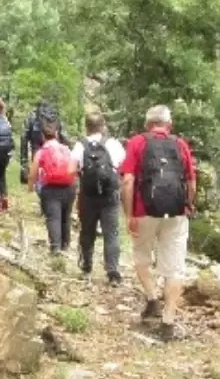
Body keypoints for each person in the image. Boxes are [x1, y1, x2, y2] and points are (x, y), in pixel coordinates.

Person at [119, 105, 196, 331]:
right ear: (169, 125)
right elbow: (191, 182)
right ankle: (168, 321)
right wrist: (189, 204)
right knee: (175, 268)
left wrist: (129, 214)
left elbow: (127, 181)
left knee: (141, 256)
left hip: (144, 211)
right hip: (176, 212)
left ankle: (152, 298)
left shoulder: (137, 142)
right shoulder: (180, 144)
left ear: (147, 124)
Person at [72, 113, 125, 285]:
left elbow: (71, 170)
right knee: (112, 233)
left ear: (86, 126)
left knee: (87, 231)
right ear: (103, 126)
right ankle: (113, 271)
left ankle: (86, 267)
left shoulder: (80, 146)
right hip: (110, 195)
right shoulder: (113, 144)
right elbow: (122, 165)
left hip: (87, 196)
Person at [28, 119, 76, 254]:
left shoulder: (42, 151)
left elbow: (33, 173)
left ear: (42, 136)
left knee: (53, 217)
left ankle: (55, 246)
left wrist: (31, 187)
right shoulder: (66, 149)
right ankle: (65, 244)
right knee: (66, 216)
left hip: (51, 188)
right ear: (56, 133)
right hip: (69, 187)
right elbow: (74, 167)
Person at [20, 99, 68, 185]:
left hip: (37, 144)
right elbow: (63, 134)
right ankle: (53, 181)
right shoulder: (54, 115)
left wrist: (24, 161)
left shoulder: (32, 115)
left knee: (39, 167)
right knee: (52, 165)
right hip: (52, 144)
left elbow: (24, 136)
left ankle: (41, 184)